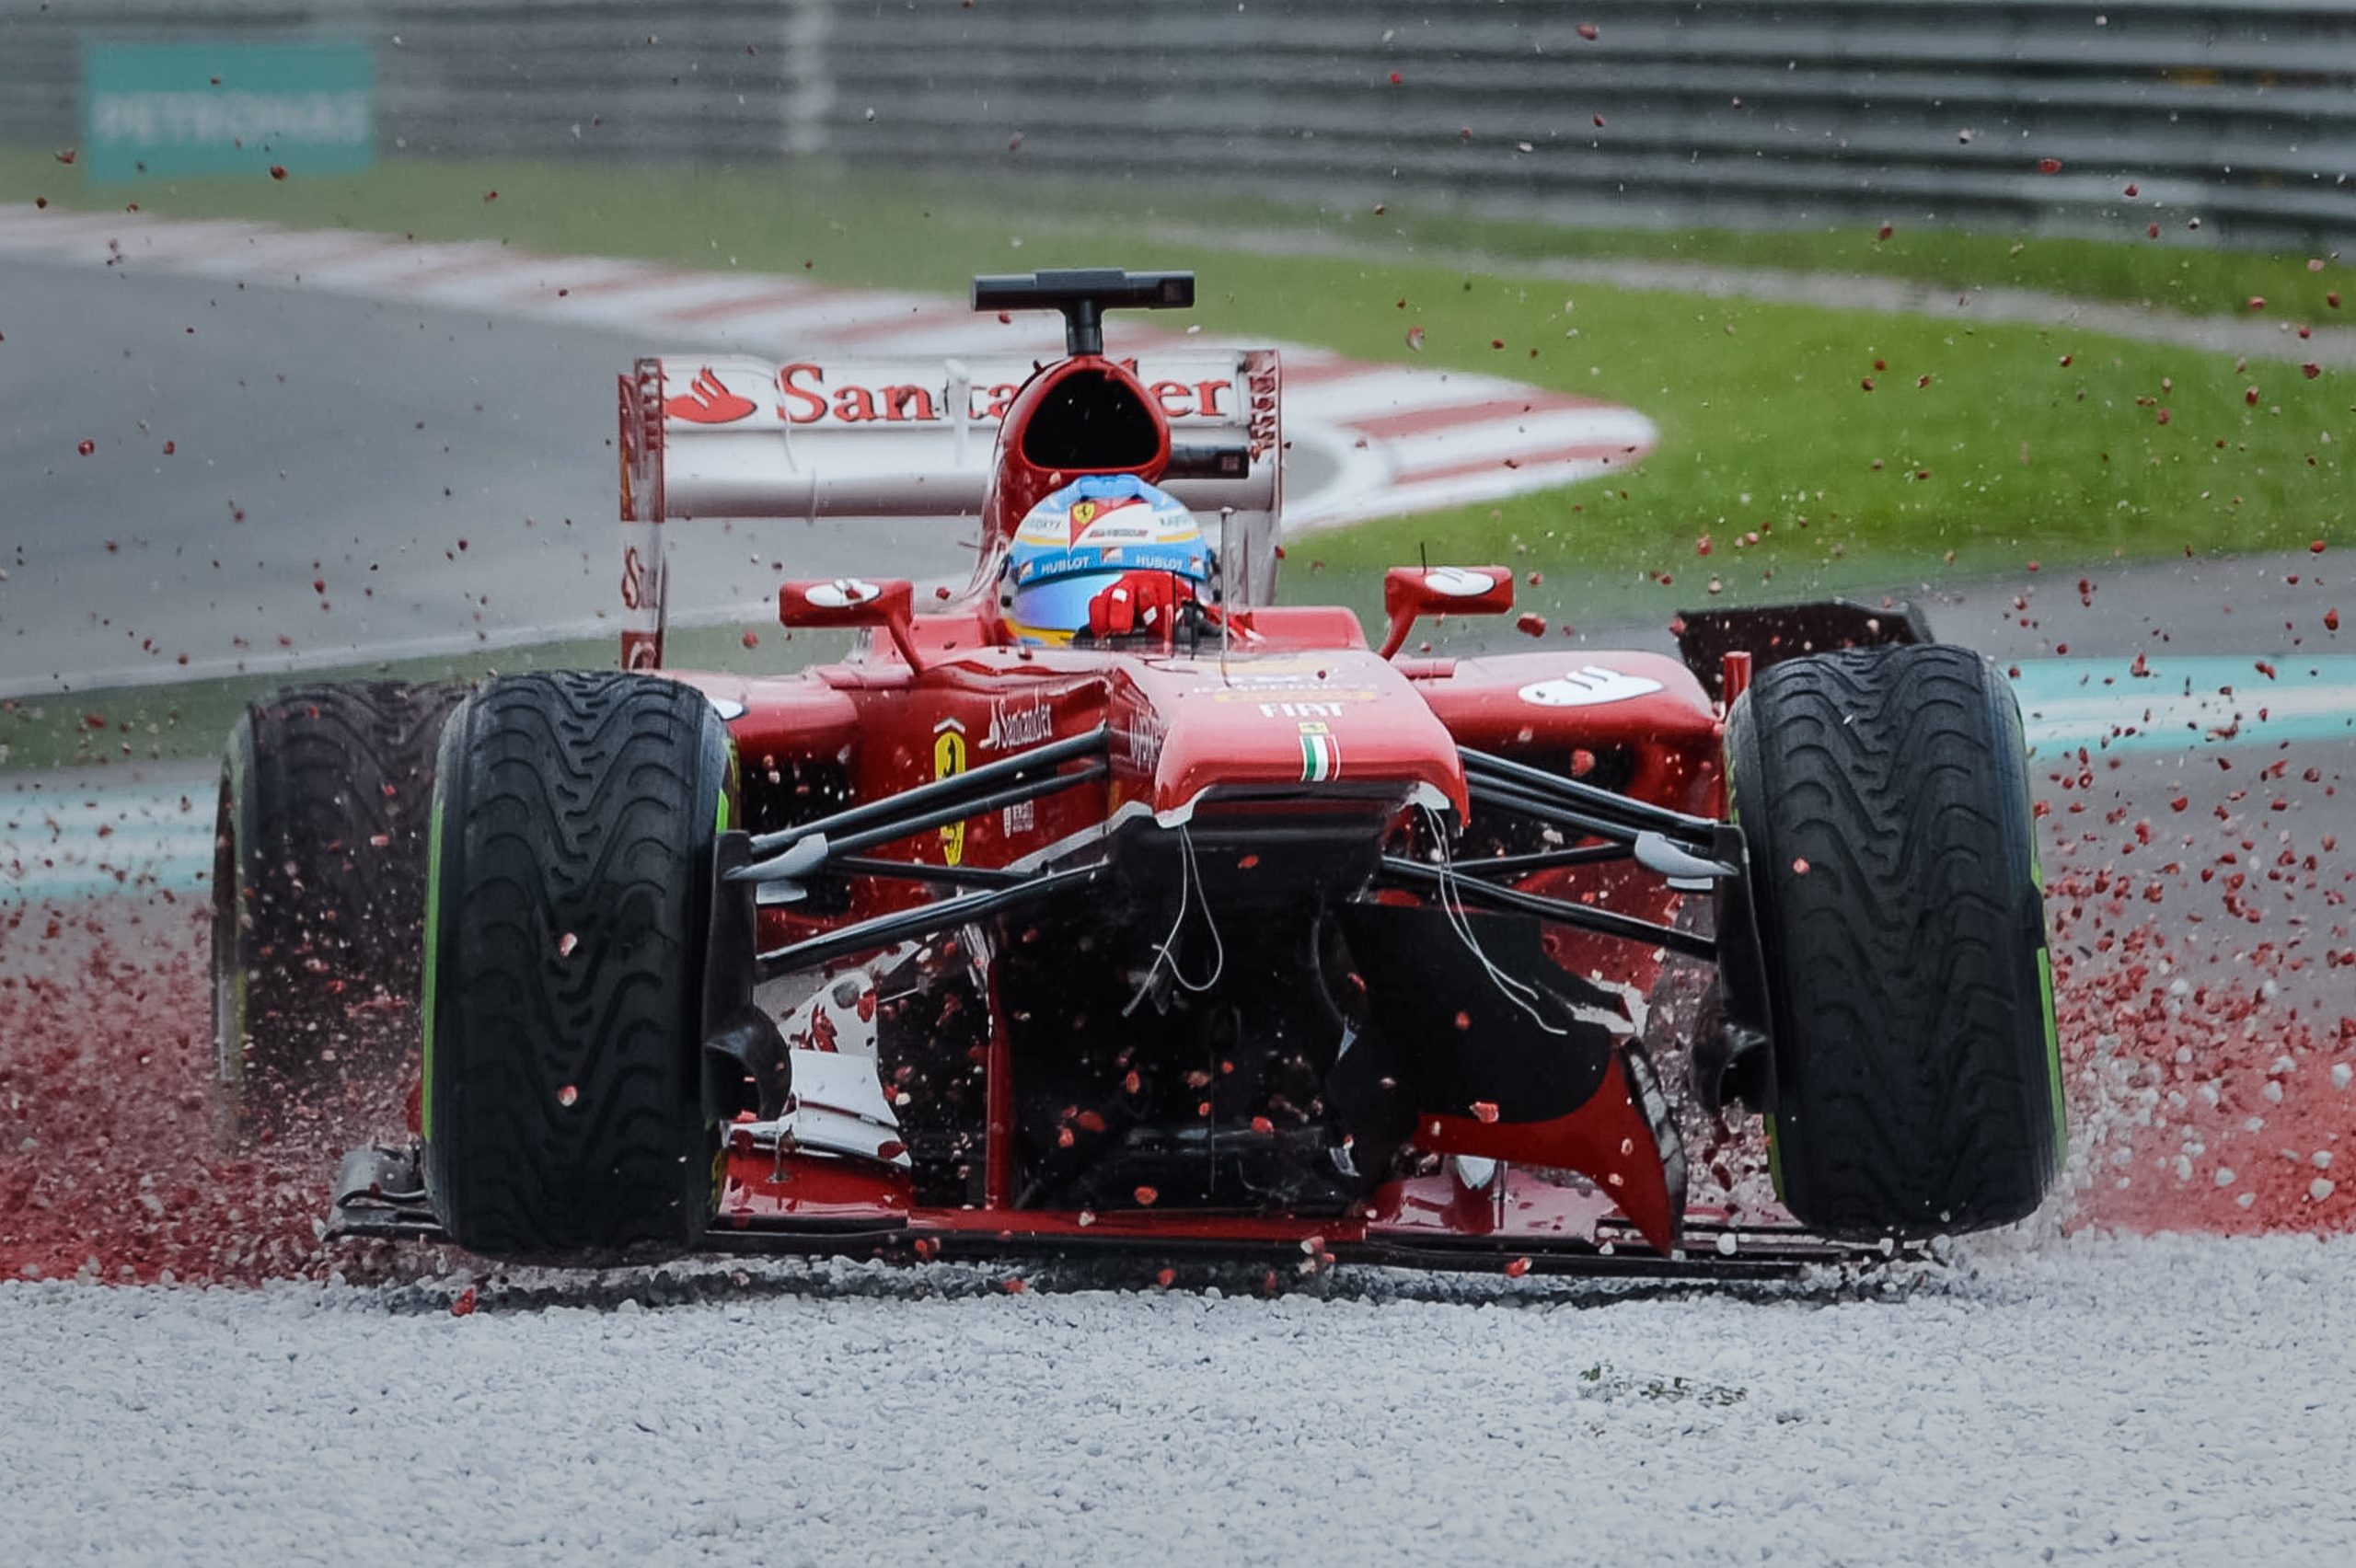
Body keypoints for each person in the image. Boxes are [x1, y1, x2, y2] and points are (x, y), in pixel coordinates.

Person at [1000, 474, 1215, 646]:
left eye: (1142, 613)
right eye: (1064, 605)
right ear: (1009, 597)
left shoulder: (1231, 636)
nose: (1120, 643)